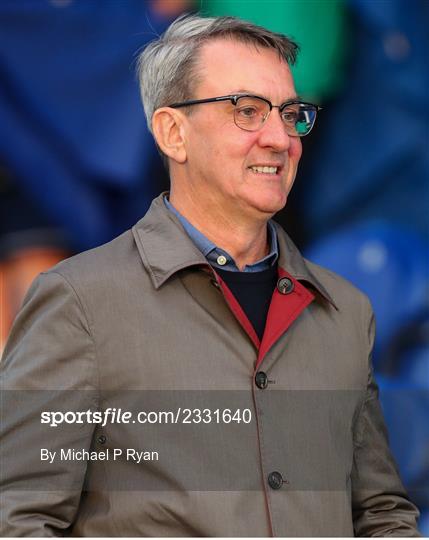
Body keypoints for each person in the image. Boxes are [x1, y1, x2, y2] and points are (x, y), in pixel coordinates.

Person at [0, 14, 421, 537]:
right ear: (173, 132)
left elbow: (381, 514)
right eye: (247, 111)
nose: (279, 138)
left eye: (291, 114)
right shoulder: (78, 304)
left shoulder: (345, 310)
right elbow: (19, 519)